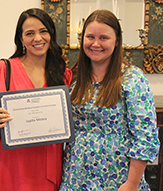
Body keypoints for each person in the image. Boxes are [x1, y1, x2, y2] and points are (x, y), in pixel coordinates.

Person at [59, 10, 160, 190]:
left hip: (117, 177)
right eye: (90, 37)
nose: (95, 43)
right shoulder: (73, 79)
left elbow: (146, 138)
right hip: (76, 175)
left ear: (117, 41)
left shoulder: (132, 79)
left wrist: (132, 183)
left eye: (104, 38)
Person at [0, 8, 72, 191]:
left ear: (51, 35)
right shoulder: (3, 69)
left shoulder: (63, 74)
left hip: (49, 162)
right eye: (30, 33)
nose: (38, 38)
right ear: (21, 40)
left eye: (43, 31)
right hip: (12, 163)